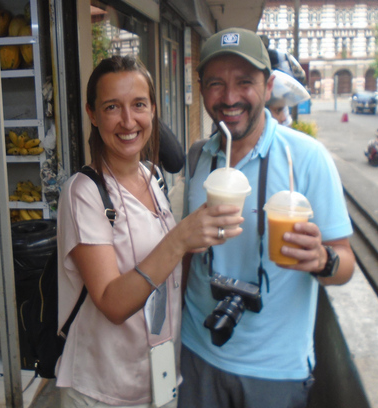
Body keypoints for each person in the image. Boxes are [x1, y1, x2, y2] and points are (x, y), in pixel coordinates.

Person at [178, 28, 356, 408]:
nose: (229, 98)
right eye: (215, 84)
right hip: (196, 350)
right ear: (201, 89)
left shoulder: (306, 158)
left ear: (269, 83)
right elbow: (188, 257)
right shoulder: (199, 157)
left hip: (274, 369)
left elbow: (346, 264)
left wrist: (324, 260)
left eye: (245, 82)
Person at [56, 56, 244, 407]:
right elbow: (112, 304)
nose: (128, 121)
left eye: (139, 105)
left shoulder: (152, 176)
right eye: (112, 107)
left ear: (153, 110)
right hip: (102, 388)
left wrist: (198, 243)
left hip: (157, 377)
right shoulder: (84, 192)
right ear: (93, 115)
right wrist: (179, 240)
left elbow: (162, 275)